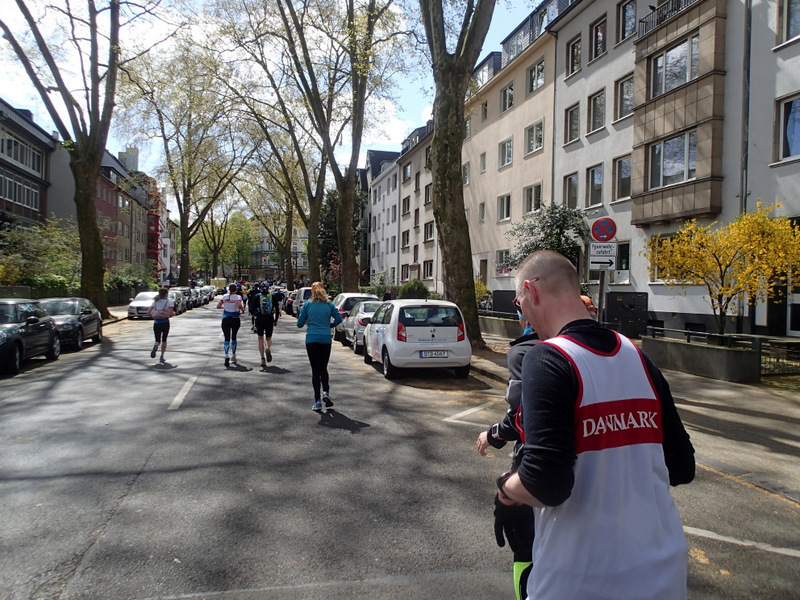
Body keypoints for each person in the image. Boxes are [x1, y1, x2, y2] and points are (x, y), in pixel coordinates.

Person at [496, 250, 695, 600]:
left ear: (532, 291)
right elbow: (681, 466)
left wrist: (505, 490)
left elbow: (546, 482)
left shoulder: (547, 358)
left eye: (518, 301)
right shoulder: (637, 356)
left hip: (580, 579)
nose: (521, 313)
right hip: (663, 575)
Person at [296, 281, 342, 412]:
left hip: (312, 339)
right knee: (323, 367)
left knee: (315, 370)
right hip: (325, 339)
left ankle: (317, 401)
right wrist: (329, 326)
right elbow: (339, 319)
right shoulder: (329, 305)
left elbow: (299, 324)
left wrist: (306, 319)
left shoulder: (307, 305)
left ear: (312, 291)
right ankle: (326, 392)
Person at [217, 283, 244, 367]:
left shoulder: (224, 297)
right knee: (234, 336)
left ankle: (226, 355)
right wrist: (242, 309)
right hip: (235, 318)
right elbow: (239, 305)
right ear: (235, 290)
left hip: (226, 319)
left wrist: (225, 308)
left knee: (226, 337)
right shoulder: (238, 297)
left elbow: (218, 306)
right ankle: (233, 355)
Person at [146, 287, 175, 363]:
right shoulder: (169, 302)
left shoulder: (155, 302)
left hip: (156, 323)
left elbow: (148, 312)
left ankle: (156, 345)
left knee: (157, 339)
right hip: (165, 322)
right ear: (166, 294)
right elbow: (171, 313)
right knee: (164, 339)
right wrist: (173, 314)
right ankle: (162, 356)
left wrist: (155, 315)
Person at [254, 282, 275, 366]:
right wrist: (276, 319)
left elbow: (252, 309)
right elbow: (276, 308)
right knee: (268, 338)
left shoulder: (256, 296)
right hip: (269, 318)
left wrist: (256, 315)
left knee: (260, 338)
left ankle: (262, 357)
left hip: (260, 319)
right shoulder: (272, 296)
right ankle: (267, 348)